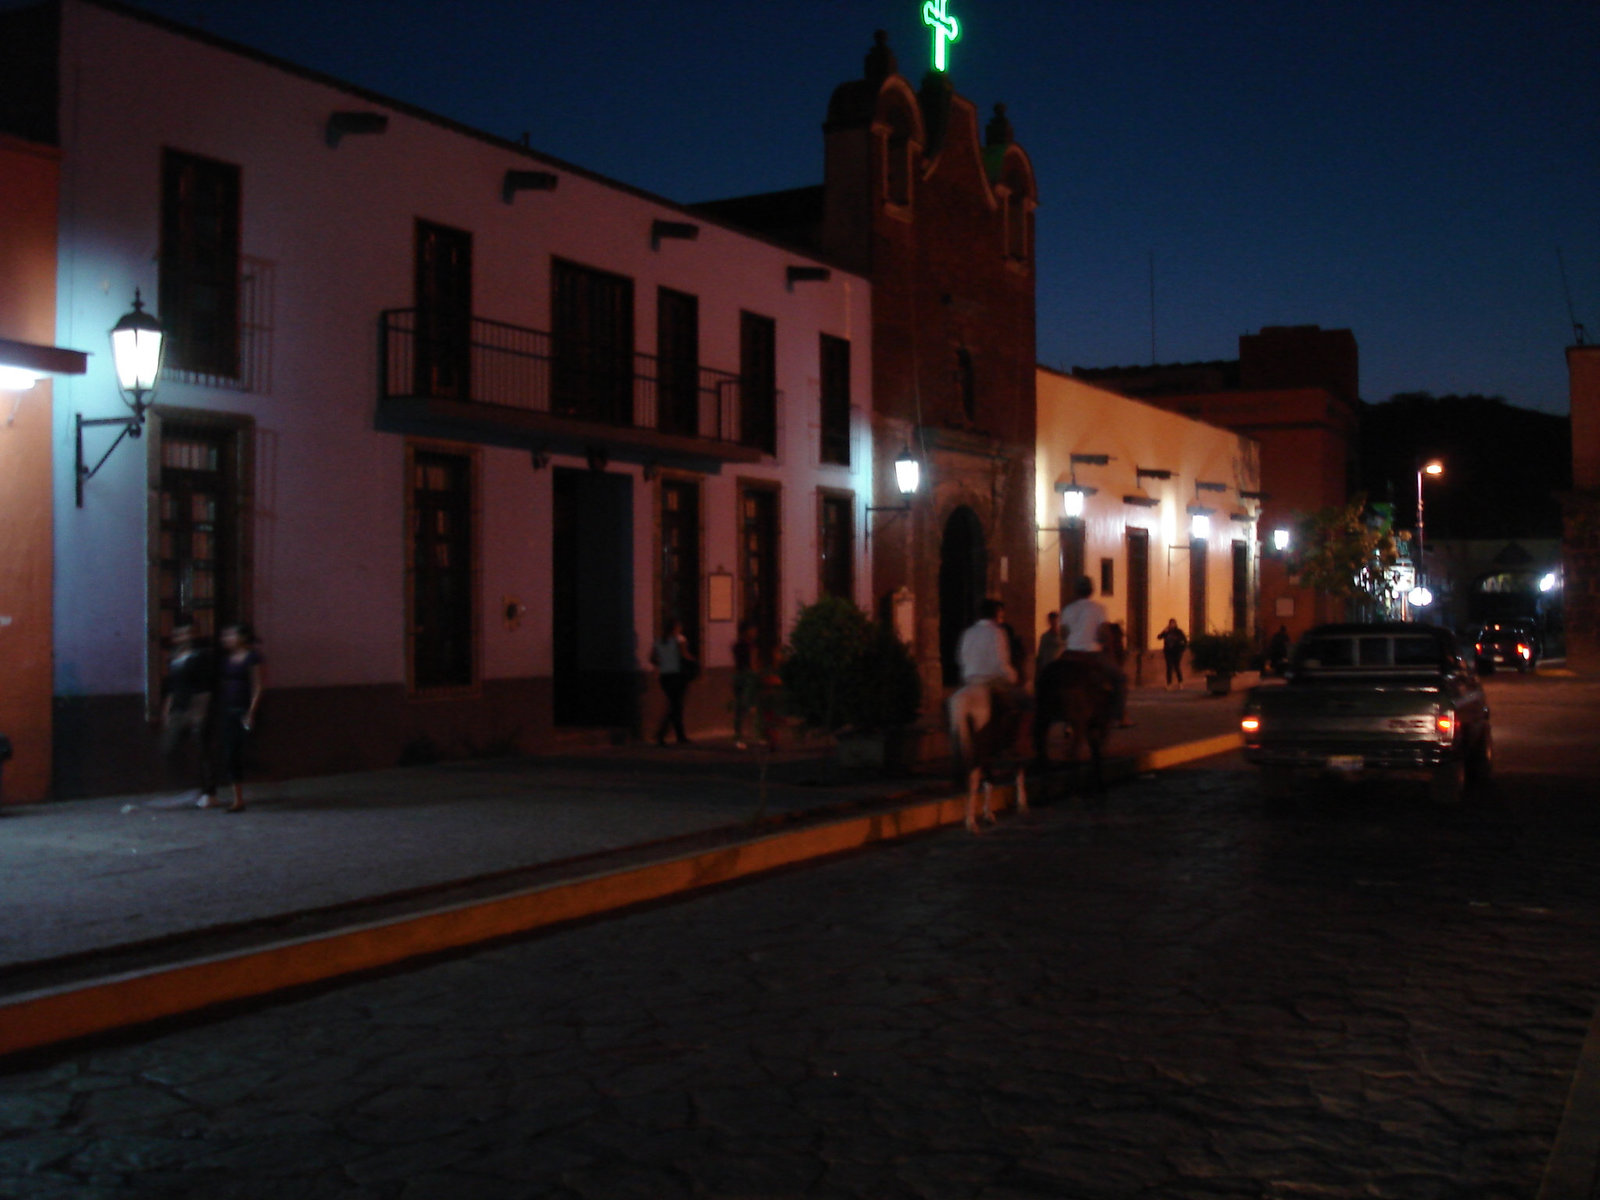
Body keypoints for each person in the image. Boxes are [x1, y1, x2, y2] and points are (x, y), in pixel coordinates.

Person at [161, 617, 216, 807]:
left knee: (202, 749)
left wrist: (200, 711)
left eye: (188, 633)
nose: (184, 637)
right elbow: (171, 686)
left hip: (195, 706)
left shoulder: (201, 656)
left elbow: (205, 686)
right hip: (178, 707)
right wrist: (167, 709)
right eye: (180, 633)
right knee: (169, 746)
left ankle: (208, 791)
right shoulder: (174, 658)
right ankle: (192, 786)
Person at [209, 622, 263, 813]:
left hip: (242, 710)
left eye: (230, 635)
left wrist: (251, 711)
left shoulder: (251, 657)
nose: (226, 639)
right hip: (227, 709)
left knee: (240, 751)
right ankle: (237, 798)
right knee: (231, 753)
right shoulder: (226, 660)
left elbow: (257, 685)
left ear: (241, 637)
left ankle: (241, 795)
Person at [1060, 576, 1127, 723]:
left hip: (1070, 653)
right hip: (1091, 654)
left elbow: (1063, 634)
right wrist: (1104, 642)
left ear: (1076, 591)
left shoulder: (1067, 609)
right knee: (1120, 677)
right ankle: (1119, 715)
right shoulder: (1098, 608)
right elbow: (1104, 633)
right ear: (1091, 590)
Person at [650, 618, 696, 746]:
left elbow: (652, 658)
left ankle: (678, 735)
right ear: (675, 628)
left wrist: (664, 661)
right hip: (678, 676)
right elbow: (684, 655)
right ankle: (663, 734)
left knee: (675, 706)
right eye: (679, 627)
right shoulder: (680, 640)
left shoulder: (659, 641)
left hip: (665, 677)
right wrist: (693, 661)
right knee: (676, 707)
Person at [731, 620, 761, 750]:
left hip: (739, 676)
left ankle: (741, 737)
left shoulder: (737, 645)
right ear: (746, 631)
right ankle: (746, 737)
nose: (755, 632)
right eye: (752, 629)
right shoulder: (750, 646)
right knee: (748, 708)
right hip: (747, 677)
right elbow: (753, 663)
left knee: (743, 709)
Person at [1157, 617, 1188, 689]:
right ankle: (1169, 684)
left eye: (1173, 623)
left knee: (1177, 667)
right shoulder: (1167, 631)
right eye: (1171, 624)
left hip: (1177, 652)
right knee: (1169, 668)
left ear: (1175, 624)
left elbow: (1185, 641)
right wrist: (1164, 631)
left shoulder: (1179, 631)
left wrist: (1182, 649)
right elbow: (1159, 637)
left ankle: (1180, 683)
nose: (1172, 625)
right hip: (1168, 652)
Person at [1035, 610, 1064, 678]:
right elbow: (1041, 653)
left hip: (1059, 667)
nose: (1054, 623)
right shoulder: (1045, 637)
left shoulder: (1063, 636)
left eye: (1055, 620)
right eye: (1052, 620)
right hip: (1048, 667)